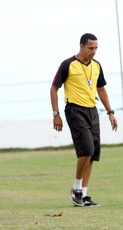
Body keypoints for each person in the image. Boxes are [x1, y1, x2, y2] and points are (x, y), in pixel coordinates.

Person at [50, 33, 118, 207]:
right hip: (75, 110)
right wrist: (56, 114)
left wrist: (110, 112)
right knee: (86, 149)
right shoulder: (68, 64)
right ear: (81, 46)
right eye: (90, 48)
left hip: (92, 111)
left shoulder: (97, 66)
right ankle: (76, 189)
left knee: (93, 154)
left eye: (96, 48)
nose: (94, 51)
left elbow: (101, 89)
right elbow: (54, 88)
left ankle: (84, 194)